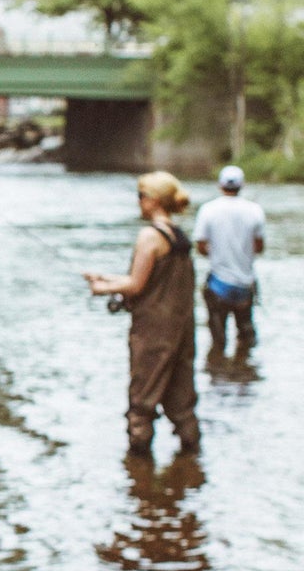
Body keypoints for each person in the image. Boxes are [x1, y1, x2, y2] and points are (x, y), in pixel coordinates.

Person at [84, 171, 200, 457]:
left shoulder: (149, 236)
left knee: (143, 399)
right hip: (182, 329)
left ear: (154, 200)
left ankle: (138, 467)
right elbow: (150, 279)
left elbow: (135, 285)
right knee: (181, 398)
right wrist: (107, 278)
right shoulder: (178, 235)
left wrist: (100, 288)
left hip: (153, 332)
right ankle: (191, 462)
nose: (138, 202)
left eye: (141, 196)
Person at [194, 164, 266, 359]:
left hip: (218, 285)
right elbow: (259, 247)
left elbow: (200, 246)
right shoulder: (255, 210)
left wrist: (217, 253)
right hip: (245, 284)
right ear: (242, 186)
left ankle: (218, 376)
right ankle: (243, 375)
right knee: (246, 336)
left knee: (217, 339)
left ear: (220, 185)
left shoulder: (208, 210)